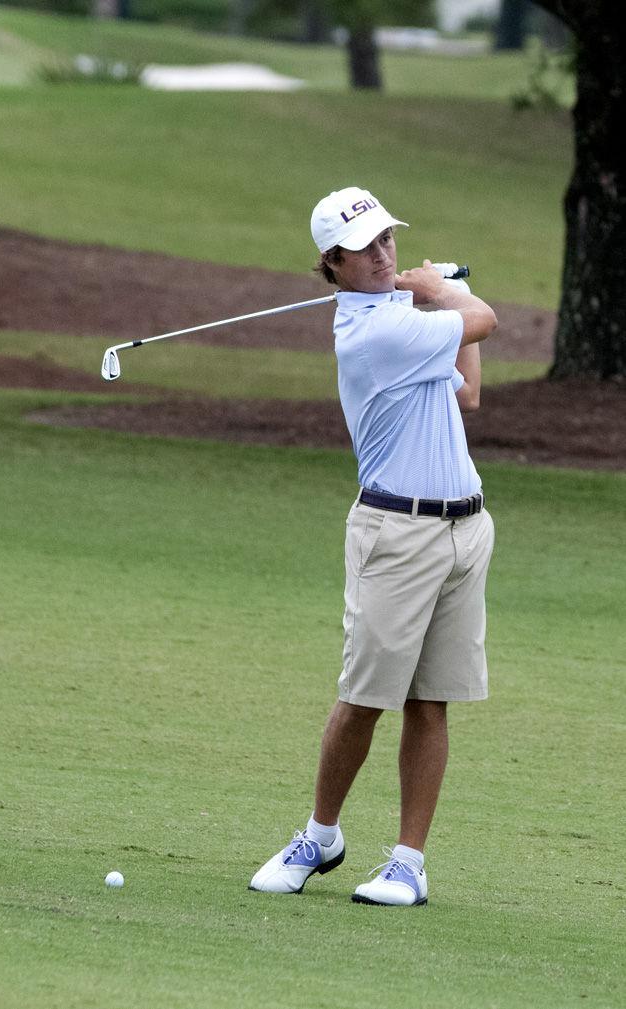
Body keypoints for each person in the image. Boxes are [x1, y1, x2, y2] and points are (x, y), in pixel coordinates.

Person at [249, 186, 498, 906]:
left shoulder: (401, 316)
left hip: (463, 529)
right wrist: (446, 289)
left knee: (431, 700)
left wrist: (437, 296)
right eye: (368, 248)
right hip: (397, 533)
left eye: (389, 239)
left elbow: (467, 396)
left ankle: (408, 863)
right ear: (332, 263)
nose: (386, 254)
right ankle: (320, 834)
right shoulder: (372, 334)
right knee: (364, 698)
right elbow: (483, 322)